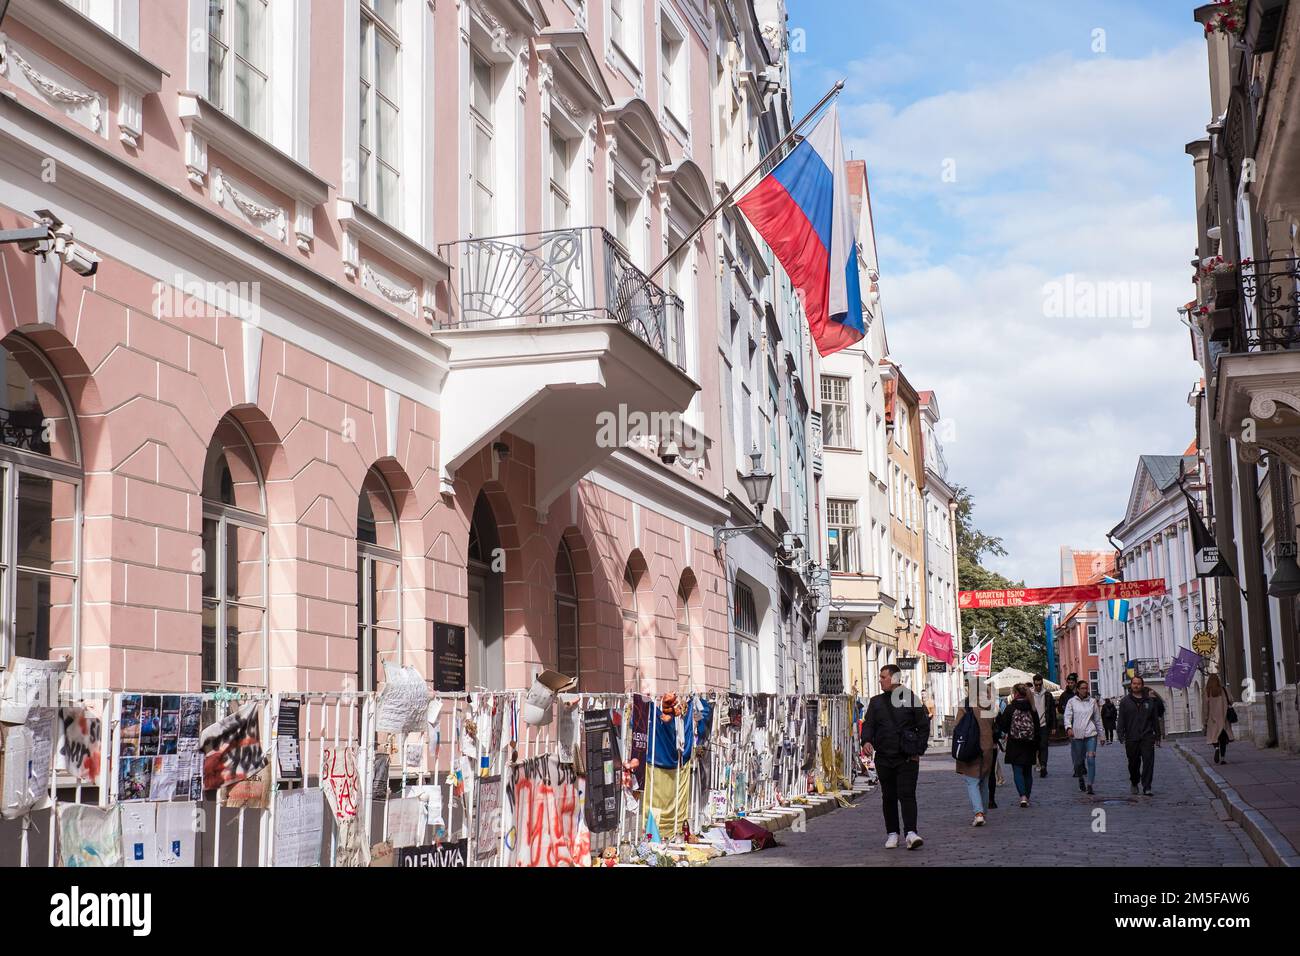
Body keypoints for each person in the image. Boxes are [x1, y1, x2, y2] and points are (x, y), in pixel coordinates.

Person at [860, 664, 930, 850]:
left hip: (907, 756)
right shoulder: (876, 702)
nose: (880, 680)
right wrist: (866, 741)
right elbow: (869, 725)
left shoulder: (910, 699)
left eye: (883, 677)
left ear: (894, 678)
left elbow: (923, 726)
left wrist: (918, 750)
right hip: (884, 757)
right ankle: (892, 833)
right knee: (888, 797)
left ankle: (911, 833)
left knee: (907, 795)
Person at [954, 690, 997, 827]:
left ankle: (978, 813)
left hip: (970, 746)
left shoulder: (966, 704)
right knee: (984, 781)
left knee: (972, 782)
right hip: (987, 747)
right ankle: (983, 812)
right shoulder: (989, 705)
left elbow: (957, 726)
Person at [1117, 675, 1164, 796]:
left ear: (1142, 686)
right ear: (1131, 685)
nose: (1136, 685)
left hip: (1147, 736)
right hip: (1131, 737)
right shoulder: (1125, 702)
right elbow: (1121, 718)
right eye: (1134, 683)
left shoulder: (1149, 701)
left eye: (1138, 684)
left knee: (1148, 761)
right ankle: (1134, 781)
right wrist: (1120, 733)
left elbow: (1154, 719)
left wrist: (1157, 735)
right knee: (1133, 762)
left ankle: (1147, 786)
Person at [996, 683, 1040, 808]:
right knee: (1028, 772)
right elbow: (1037, 727)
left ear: (1015, 693)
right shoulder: (1032, 707)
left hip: (1015, 743)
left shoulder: (1011, 708)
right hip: (1029, 743)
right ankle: (1028, 795)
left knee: (1018, 771)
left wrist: (999, 716)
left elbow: (1004, 726)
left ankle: (1022, 796)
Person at [1063, 678, 1103, 794]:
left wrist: (1102, 735)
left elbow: (1097, 719)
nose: (1085, 690)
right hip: (1077, 734)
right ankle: (1081, 778)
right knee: (1079, 761)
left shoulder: (1092, 702)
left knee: (1091, 758)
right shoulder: (1072, 702)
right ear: (1078, 689)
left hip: (1091, 733)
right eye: (1083, 688)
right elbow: (1067, 716)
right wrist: (1068, 728)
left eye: (1086, 688)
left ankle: (1090, 784)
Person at [1029, 674, 1057, 777]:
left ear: (1042, 683)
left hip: (1044, 724)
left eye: (1040, 684)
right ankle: (1039, 764)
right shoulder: (1030, 695)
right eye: (1036, 685)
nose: (1038, 687)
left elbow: (1052, 711)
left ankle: (1043, 766)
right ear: (1033, 683)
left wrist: (1054, 726)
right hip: (1033, 726)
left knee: (1043, 746)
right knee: (1036, 746)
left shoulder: (1048, 695)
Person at [1204, 673, 1234, 764]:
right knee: (1223, 739)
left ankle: (1216, 748)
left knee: (1214, 737)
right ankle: (1223, 758)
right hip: (1223, 718)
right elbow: (1231, 700)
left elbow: (1205, 708)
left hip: (1212, 719)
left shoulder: (1207, 692)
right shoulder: (1223, 689)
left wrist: (1205, 720)